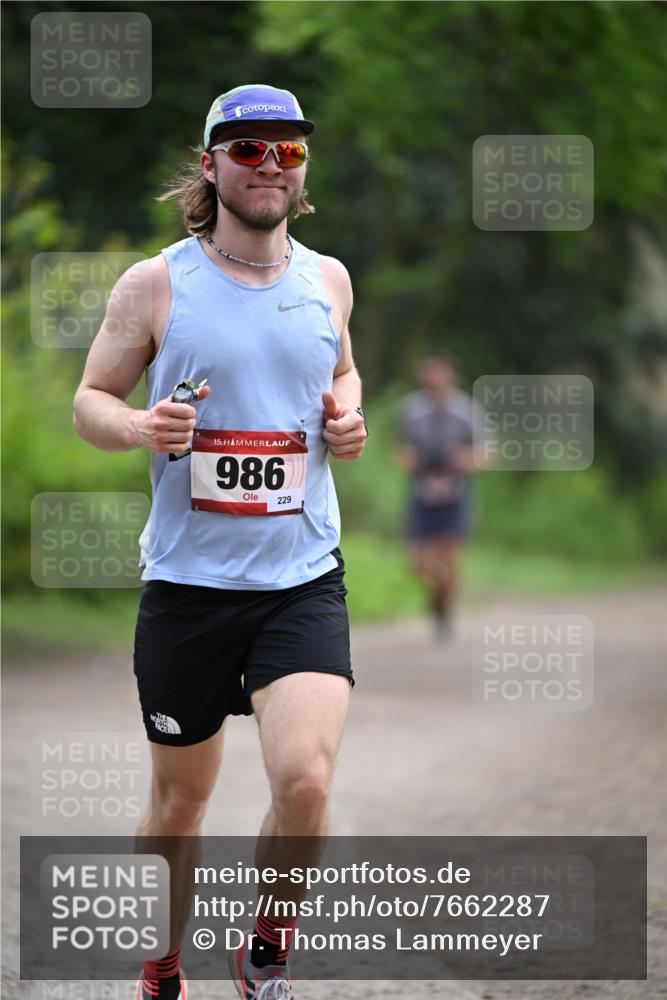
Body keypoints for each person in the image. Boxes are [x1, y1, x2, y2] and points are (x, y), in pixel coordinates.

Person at [73, 83, 368, 1000]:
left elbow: (346, 373)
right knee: (180, 802)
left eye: (289, 150)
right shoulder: (156, 283)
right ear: (211, 166)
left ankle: (266, 949)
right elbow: (90, 402)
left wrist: (348, 417)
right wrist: (140, 429)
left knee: (307, 784)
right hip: (190, 588)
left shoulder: (327, 280)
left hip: (299, 579)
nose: (272, 164)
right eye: (249, 150)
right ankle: (162, 965)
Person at [397, 356, 479, 638]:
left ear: (451, 381)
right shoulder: (410, 410)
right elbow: (400, 448)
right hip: (422, 492)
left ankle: (444, 612)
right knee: (418, 563)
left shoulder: (467, 411)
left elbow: (487, 453)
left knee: (450, 561)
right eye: (429, 385)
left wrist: (466, 459)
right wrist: (407, 458)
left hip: (454, 493)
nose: (435, 390)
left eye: (440, 384)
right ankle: (437, 599)